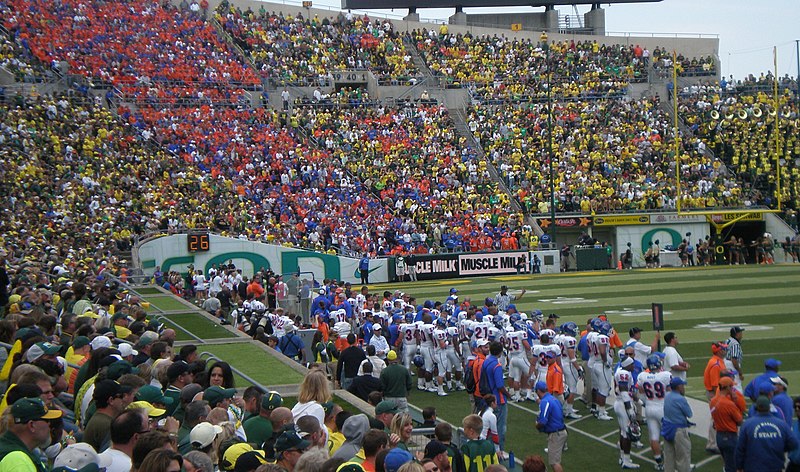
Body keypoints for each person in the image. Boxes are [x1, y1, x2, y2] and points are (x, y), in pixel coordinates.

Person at [736, 395, 798, 472]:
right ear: (769, 407)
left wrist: (739, 466)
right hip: (775, 466)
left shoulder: (747, 425)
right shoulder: (781, 424)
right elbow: (794, 443)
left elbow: (740, 448)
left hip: (753, 467)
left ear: (756, 408)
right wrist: (780, 448)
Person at [0, 397, 62, 470]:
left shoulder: (15, 449)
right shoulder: (17, 460)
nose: (49, 424)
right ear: (32, 425)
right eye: (46, 420)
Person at [638, 355, 670, 470]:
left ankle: (658, 462)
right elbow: (670, 392)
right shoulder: (665, 375)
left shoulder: (642, 376)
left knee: (654, 437)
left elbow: (641, 392)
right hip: (662, 408)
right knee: (668, 436)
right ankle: (670, 461)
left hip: (649, 408)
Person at [709, 377, 745, 472]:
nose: (733, 389)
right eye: (732, 387)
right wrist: (735, 400)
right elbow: (740, 421)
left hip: (719, 436)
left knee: (726, 463)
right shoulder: (729, 404)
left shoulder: (713, 401)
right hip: (730, 437)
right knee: (732, 466)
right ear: (727, 387)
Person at [613, 357, 640, 470]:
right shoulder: (624, 373)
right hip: (623, 404)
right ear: (627, 364)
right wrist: (629, 409)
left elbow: (628, 392)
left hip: (620, 403)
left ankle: (623, 457)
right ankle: (626, 461)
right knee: (627, 434)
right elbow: (624, 392)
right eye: (632, 364)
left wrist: (640, 402)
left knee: (623, 432)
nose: (633, 366)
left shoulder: (621, 371)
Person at [482, 342, 508, 456]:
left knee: (489, 426)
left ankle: (489, 449)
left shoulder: (486, 361)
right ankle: (499, 451)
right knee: (500, 427)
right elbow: (500, 385)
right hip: (498, 399)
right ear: (500, 352)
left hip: (488, 396)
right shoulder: (496, 366)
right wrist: (508, 394)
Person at [662, 377, 693, 472]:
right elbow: (689, 414)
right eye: (682, 385)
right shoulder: (680, 399)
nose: (683, 387)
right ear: (679, 387)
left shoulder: (667, 396)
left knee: (669, 456)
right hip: (678, 430)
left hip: (667, 428)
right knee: (683, 457)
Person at [534, 381, 566, 472]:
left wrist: (537, 426)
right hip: (561, 431)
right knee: (555, 460)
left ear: (538, 391)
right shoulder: (554, 399)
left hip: (556, 433)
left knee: (554, 462)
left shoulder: (545, 402)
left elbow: (543, 421)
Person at [703, 341, 728, 453]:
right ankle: (712, 444)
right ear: (719, 351)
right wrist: (719, 398)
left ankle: (714, 442)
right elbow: (714, 385)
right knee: (716, 418)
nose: (725, 350)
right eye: (723, 349)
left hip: (716, 393)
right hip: (715, 394)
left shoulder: (717, 361)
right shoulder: (716, 364)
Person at [788, 395, 800, 472]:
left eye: (799, 407)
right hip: (793, 465)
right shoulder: (794, 424)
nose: (797, 409)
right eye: (795, 407)